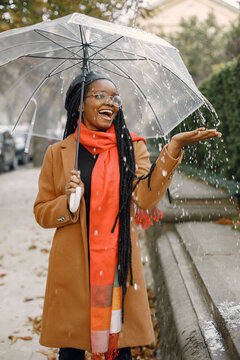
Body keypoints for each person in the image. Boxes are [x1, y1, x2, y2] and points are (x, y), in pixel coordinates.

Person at [34, 71, 222, 360]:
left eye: (115, 97)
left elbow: (145, 197)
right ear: (79, 104)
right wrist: (68, 204)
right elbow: (42, 213)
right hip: (72, 267)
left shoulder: (131, 147)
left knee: (119, 347)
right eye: (100, 96)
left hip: (116, 267)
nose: (111, 102)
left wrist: (173, 149)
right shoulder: (58, 154)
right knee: (70, 349)